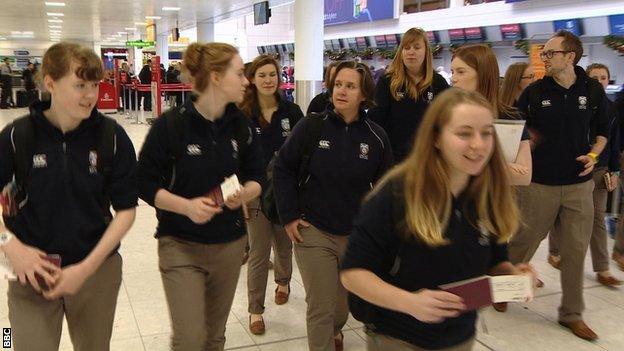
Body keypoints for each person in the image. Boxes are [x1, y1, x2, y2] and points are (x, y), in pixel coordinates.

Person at [341, 88, 535, 351]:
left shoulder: (488, 194)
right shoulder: (397, 194)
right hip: (398, 338)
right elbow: (353, 274)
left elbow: (496, 262)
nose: (478, 144)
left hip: (460, 337)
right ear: (436, 138)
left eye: (486, 133)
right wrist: (410, 303)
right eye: (464, 133)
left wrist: (515, 277)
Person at [0, 42, 138, 350]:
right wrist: (11, 247)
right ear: (50, 82)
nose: (90, 95)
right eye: (79, 85)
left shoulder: (111, 137)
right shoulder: (16, 137)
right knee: (16, 344)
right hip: (29, 273)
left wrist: (85, 269)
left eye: (94, 85)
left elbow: (126, 210)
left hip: (96, 270)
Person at [136, 42, 265, 351]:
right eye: (240, 73)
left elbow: (258, 177)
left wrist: (244, 193)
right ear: (216, 77)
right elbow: (143, 182)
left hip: (229, 245)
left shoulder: (241, 125)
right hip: (180, 244)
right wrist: (186, 207)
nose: (246, 81)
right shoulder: (171, 125)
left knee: (214, 336)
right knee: (190, 338)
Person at [274, 61, 393, 351]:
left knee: (342, 306)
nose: (341, 91)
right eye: (338, 84)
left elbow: (387, 190)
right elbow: (283, 168)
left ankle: (336, 329)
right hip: (313, 230)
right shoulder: (312, 126)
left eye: (350, 86)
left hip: (355, 235)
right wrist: (289, 216)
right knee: (321, 307)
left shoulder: (376, 137)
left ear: (364, 94)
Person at [508, 30, 610, 341]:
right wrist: (527, 145)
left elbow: (603, 132)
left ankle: (571, 314)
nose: (545, 57)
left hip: (579, 186)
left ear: (570, 57)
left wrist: (594, 155)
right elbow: (514, 125)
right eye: (545, 53)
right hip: (539, 183)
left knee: (575, 250)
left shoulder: (591, 90)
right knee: (524, 241)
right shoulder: (536, 91)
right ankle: (503, 286)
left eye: (551, 53)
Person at [239, 54, 304, 335]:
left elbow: (304, 156)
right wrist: (237, 197)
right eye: (262, 75)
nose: (268, 80)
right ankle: (255, 310)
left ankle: (284, 281)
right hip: (254, 194)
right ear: (252, 79)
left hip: (285, 193)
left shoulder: (292, 113)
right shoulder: (241, 116)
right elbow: (232, 159)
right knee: (257, 252)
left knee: (284, 244)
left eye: (272, 75)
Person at [548, 63, 622, 287]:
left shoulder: (612, 109)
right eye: (595, 78)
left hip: (599, 168)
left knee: (597, 218)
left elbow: (614, 141)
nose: (600, 81)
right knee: (561, 213)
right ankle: (555, 252)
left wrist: (614, 169)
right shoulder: (573, 105)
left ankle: (602, 268)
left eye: (604, 77)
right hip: (573, 168)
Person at [451, 44, 532, 186]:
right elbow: (444, 167)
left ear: (482, 74)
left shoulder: (511, 117)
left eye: (460, 72)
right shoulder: (448, 115)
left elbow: (524, 176)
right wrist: (502, 167)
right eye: (452, 72)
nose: (453, 78)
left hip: (494, 203)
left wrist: (468, 164)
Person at [369, 27, 450, 162]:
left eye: (417, 47)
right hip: (393, 160)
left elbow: (446, 122)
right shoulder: (388, 82)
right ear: (401, 52)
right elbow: (375, 121)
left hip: (427, 160)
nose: (411, 52)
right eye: (406, 48)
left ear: (426, 52)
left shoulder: (438, 83)